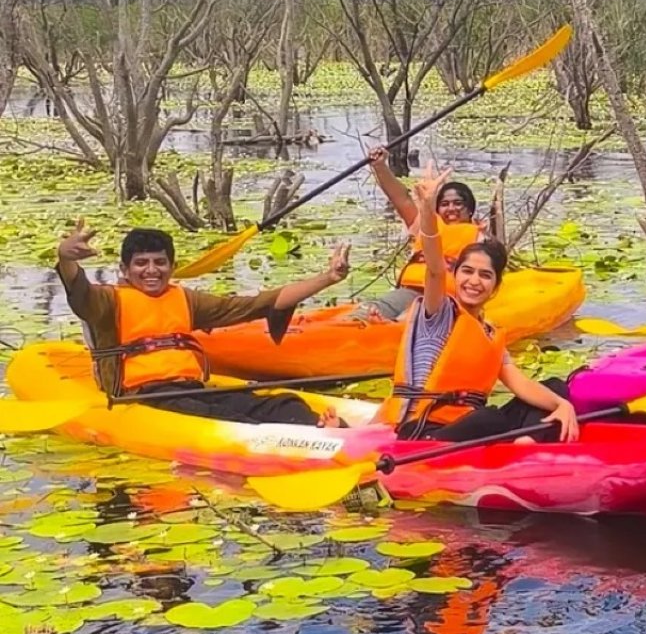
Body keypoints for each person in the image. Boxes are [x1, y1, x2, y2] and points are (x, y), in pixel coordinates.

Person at [56, 222, 350, 425]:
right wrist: (66, 258)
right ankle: (290, 441)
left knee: (284, 404)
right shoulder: (109, 302)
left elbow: (253, 305)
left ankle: (320, 428)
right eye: (141, 263)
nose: (151, 270)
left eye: (159, 262)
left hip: (190, 388)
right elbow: (80, 294)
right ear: (124, 269)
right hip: (146, 396)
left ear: (171, 267)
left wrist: (328, 278)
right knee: (217, 417)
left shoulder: (185, 298)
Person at [376, 165, 579, 444]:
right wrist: (426, 209)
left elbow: (519, 383)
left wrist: (562, 405)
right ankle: (525, 442)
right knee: (489, 418)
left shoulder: (490, 333)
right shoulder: (438, 311)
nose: (474, 281)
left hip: (469, 428)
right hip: (425, 431)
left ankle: (525, 445)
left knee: (555, 389)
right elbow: (434, 269)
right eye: (467, 271)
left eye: (485, 275)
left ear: (495, 287)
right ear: (455, 276)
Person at [353, 145, 495, 322]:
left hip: (449, 298)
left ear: (470, 208)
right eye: (444, 204)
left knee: (411, 318)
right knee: (364, 314)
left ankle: (397, 325)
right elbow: (401, 199)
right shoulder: (427, 224)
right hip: (411, 291)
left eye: (458, 203)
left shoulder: (481, 237)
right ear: (436, 207)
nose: (451, 208)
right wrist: (380, 167)